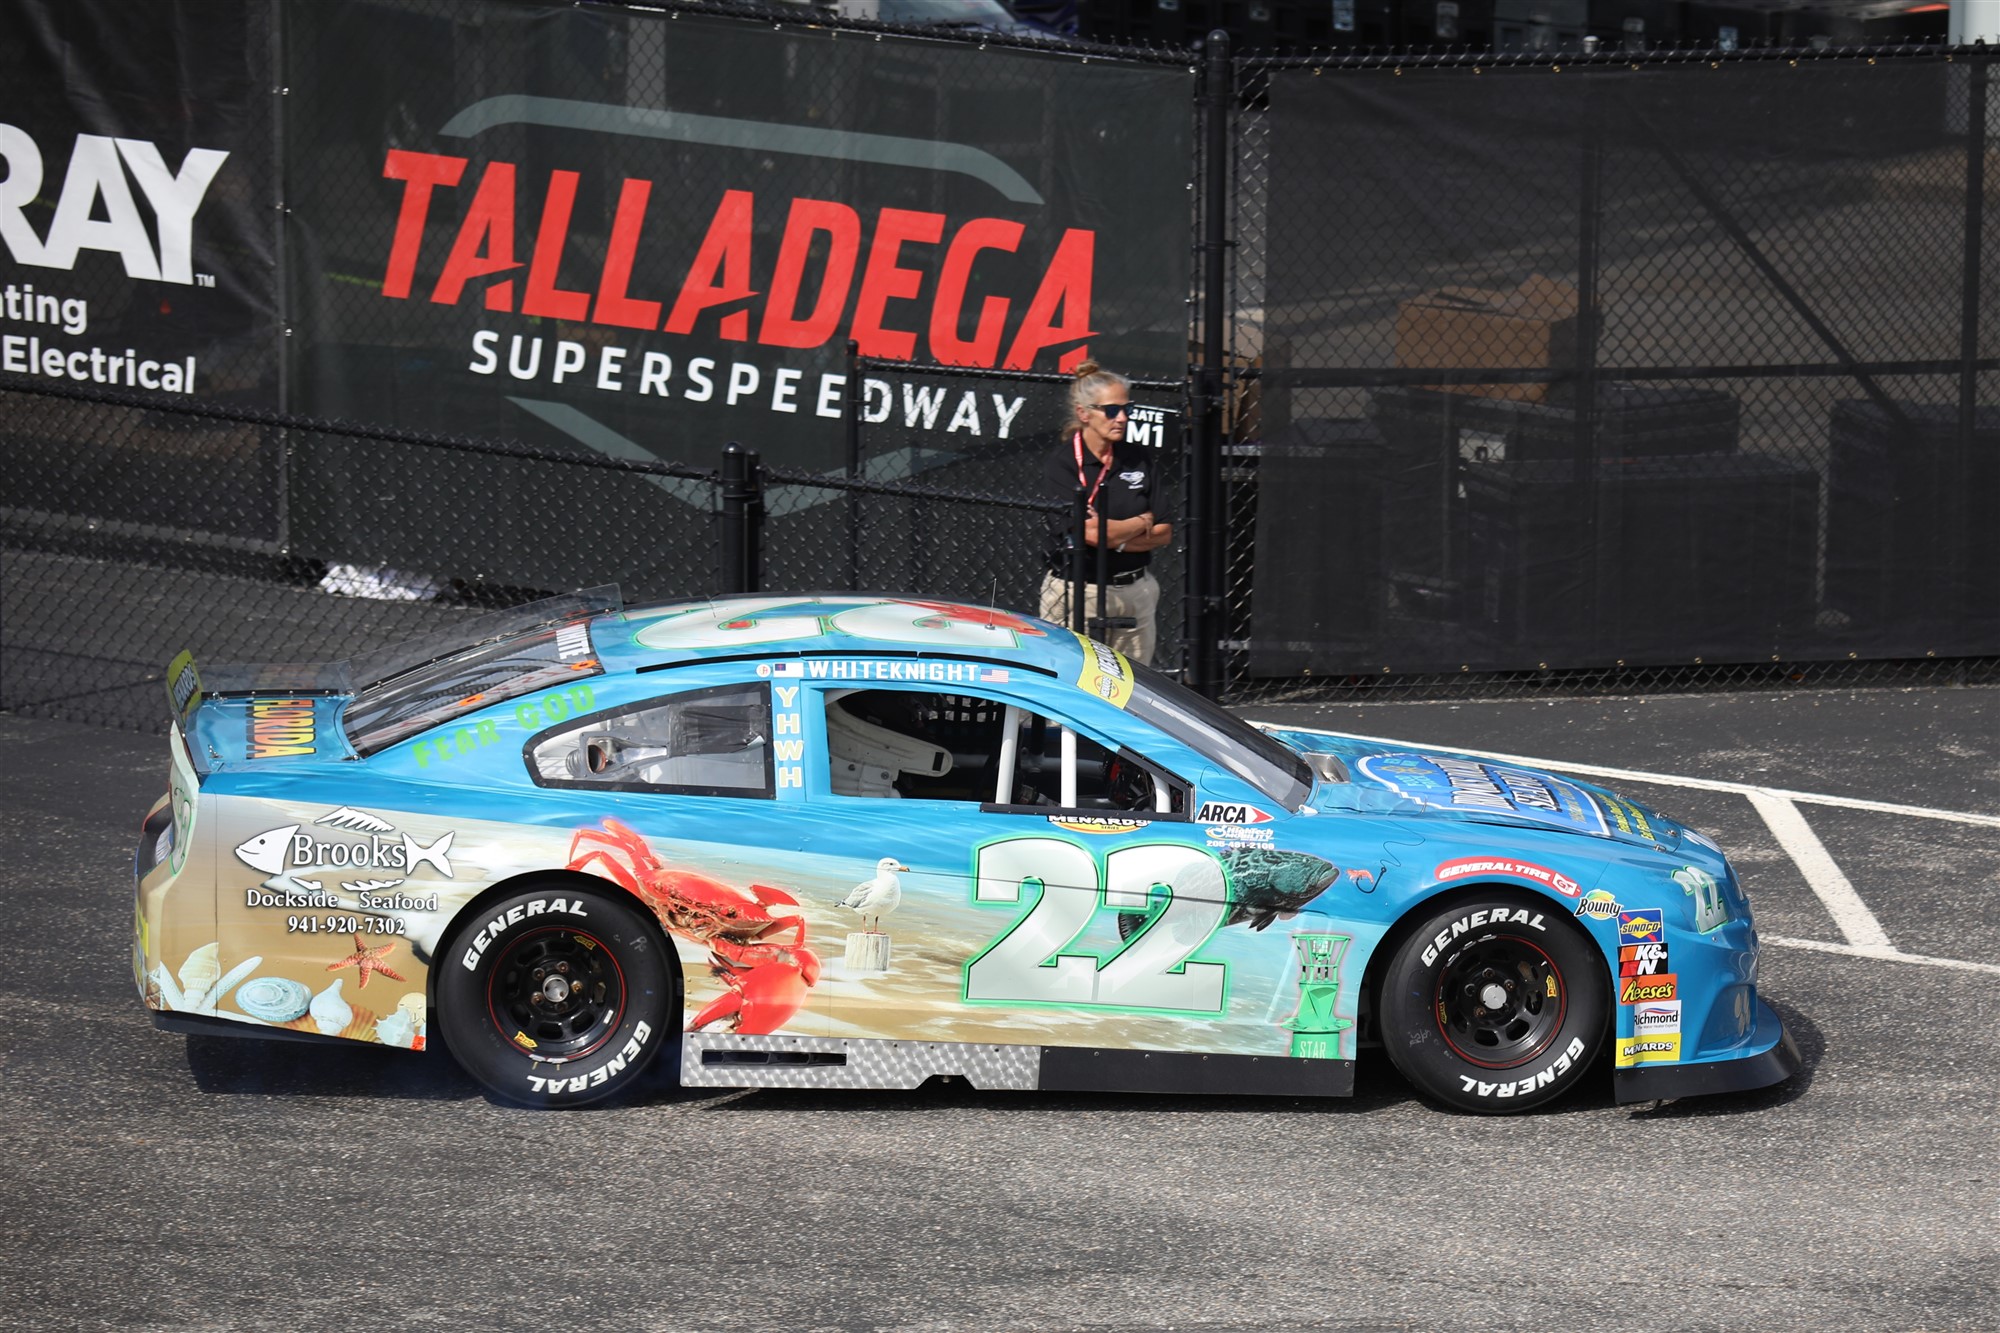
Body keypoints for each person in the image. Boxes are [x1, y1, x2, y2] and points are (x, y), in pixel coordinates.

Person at [1039, 362, 1172, 664]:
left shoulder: (1138, 457)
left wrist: (1115, 538)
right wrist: (1141, 521)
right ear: (1084, 413)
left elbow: (1164, 531)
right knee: (1073, 679)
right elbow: (1088, 534)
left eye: (1127, 409)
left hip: (1135, 592)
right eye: (1112, 410)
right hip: (1078, 592)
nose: (1122, 418)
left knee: (1133, 683)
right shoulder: (1063, 464)